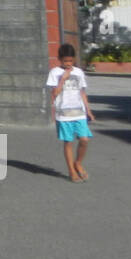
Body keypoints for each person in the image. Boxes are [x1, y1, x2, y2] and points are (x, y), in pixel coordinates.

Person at [46, 43, 95, 182]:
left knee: (84, 140)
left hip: (79, 112)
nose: (68, 64)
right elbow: (54, 94)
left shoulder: (79, 72)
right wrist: (63, 79)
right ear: (59, 59)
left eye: (70, 61)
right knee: (68, 142)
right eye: (65, 61)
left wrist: (88, 111)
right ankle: (71, 171)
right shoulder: (54, 72)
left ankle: (78, 163)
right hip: (63, 114)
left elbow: (82, 93)